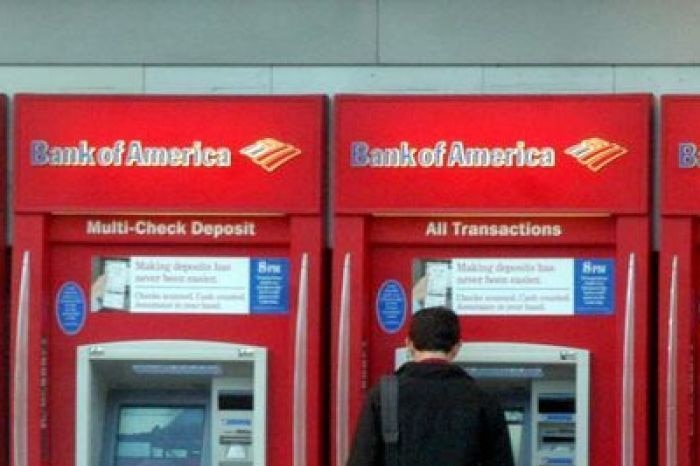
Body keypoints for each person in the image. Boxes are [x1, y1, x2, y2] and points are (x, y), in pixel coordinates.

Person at [346, 306, 514, 466]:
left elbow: (362, 460)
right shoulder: (484, 400)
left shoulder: (384, 396)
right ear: (456, 348)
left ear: (409, 344)